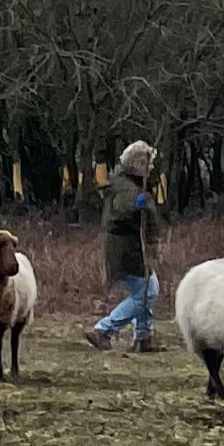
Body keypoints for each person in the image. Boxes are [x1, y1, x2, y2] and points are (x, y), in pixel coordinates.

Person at [88, 139, 165, 350]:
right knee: (145, 293)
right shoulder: (126, 188)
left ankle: (143, 337)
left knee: (150, 287)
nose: (150, 168)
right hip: (126, 249)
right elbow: (119, 213)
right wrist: (136, 206)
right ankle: (104, 330)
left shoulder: (131, 183)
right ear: (138, 164)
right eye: (148, 164)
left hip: (133, 247)